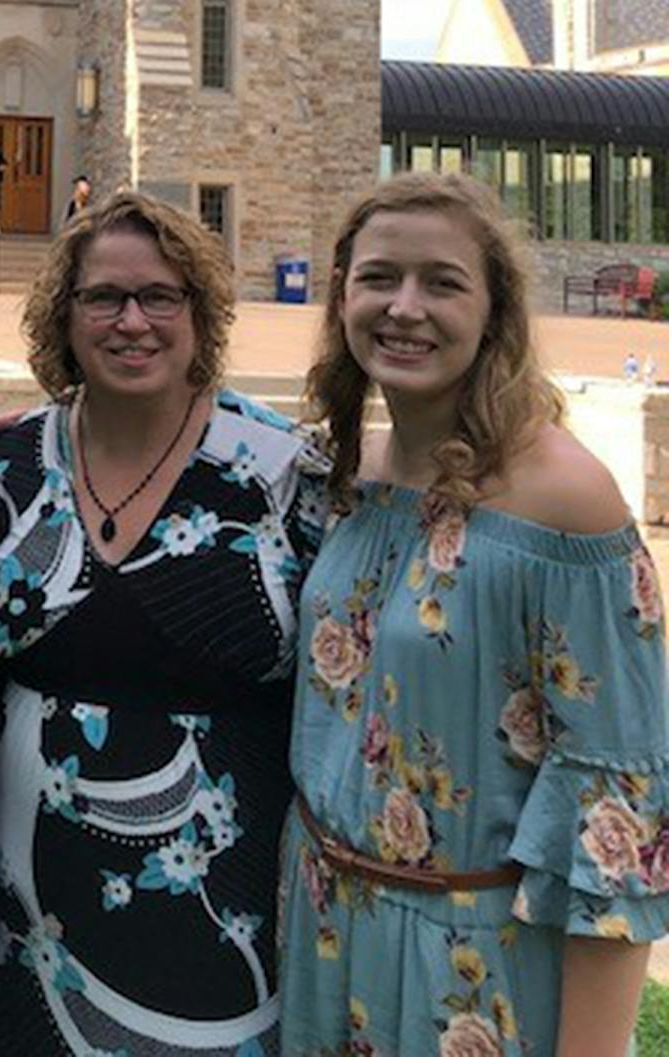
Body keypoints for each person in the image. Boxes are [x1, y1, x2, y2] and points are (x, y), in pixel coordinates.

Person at [278, 172, 668, 1056]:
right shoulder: (351, 476)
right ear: (342, 296)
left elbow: (618, 813)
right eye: (379, 278)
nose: (404, 307)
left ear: (494, 311)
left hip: (474, 969)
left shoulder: (566, 505)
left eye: (441, 282)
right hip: (323, 932)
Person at [0, 190, 328, 1054]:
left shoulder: (283, 470)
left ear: (199, 313)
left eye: (159, 296)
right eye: (103, 297)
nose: (130, 320)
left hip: (221, 906)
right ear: (64, 315)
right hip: (30, 913)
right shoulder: (5, 463)